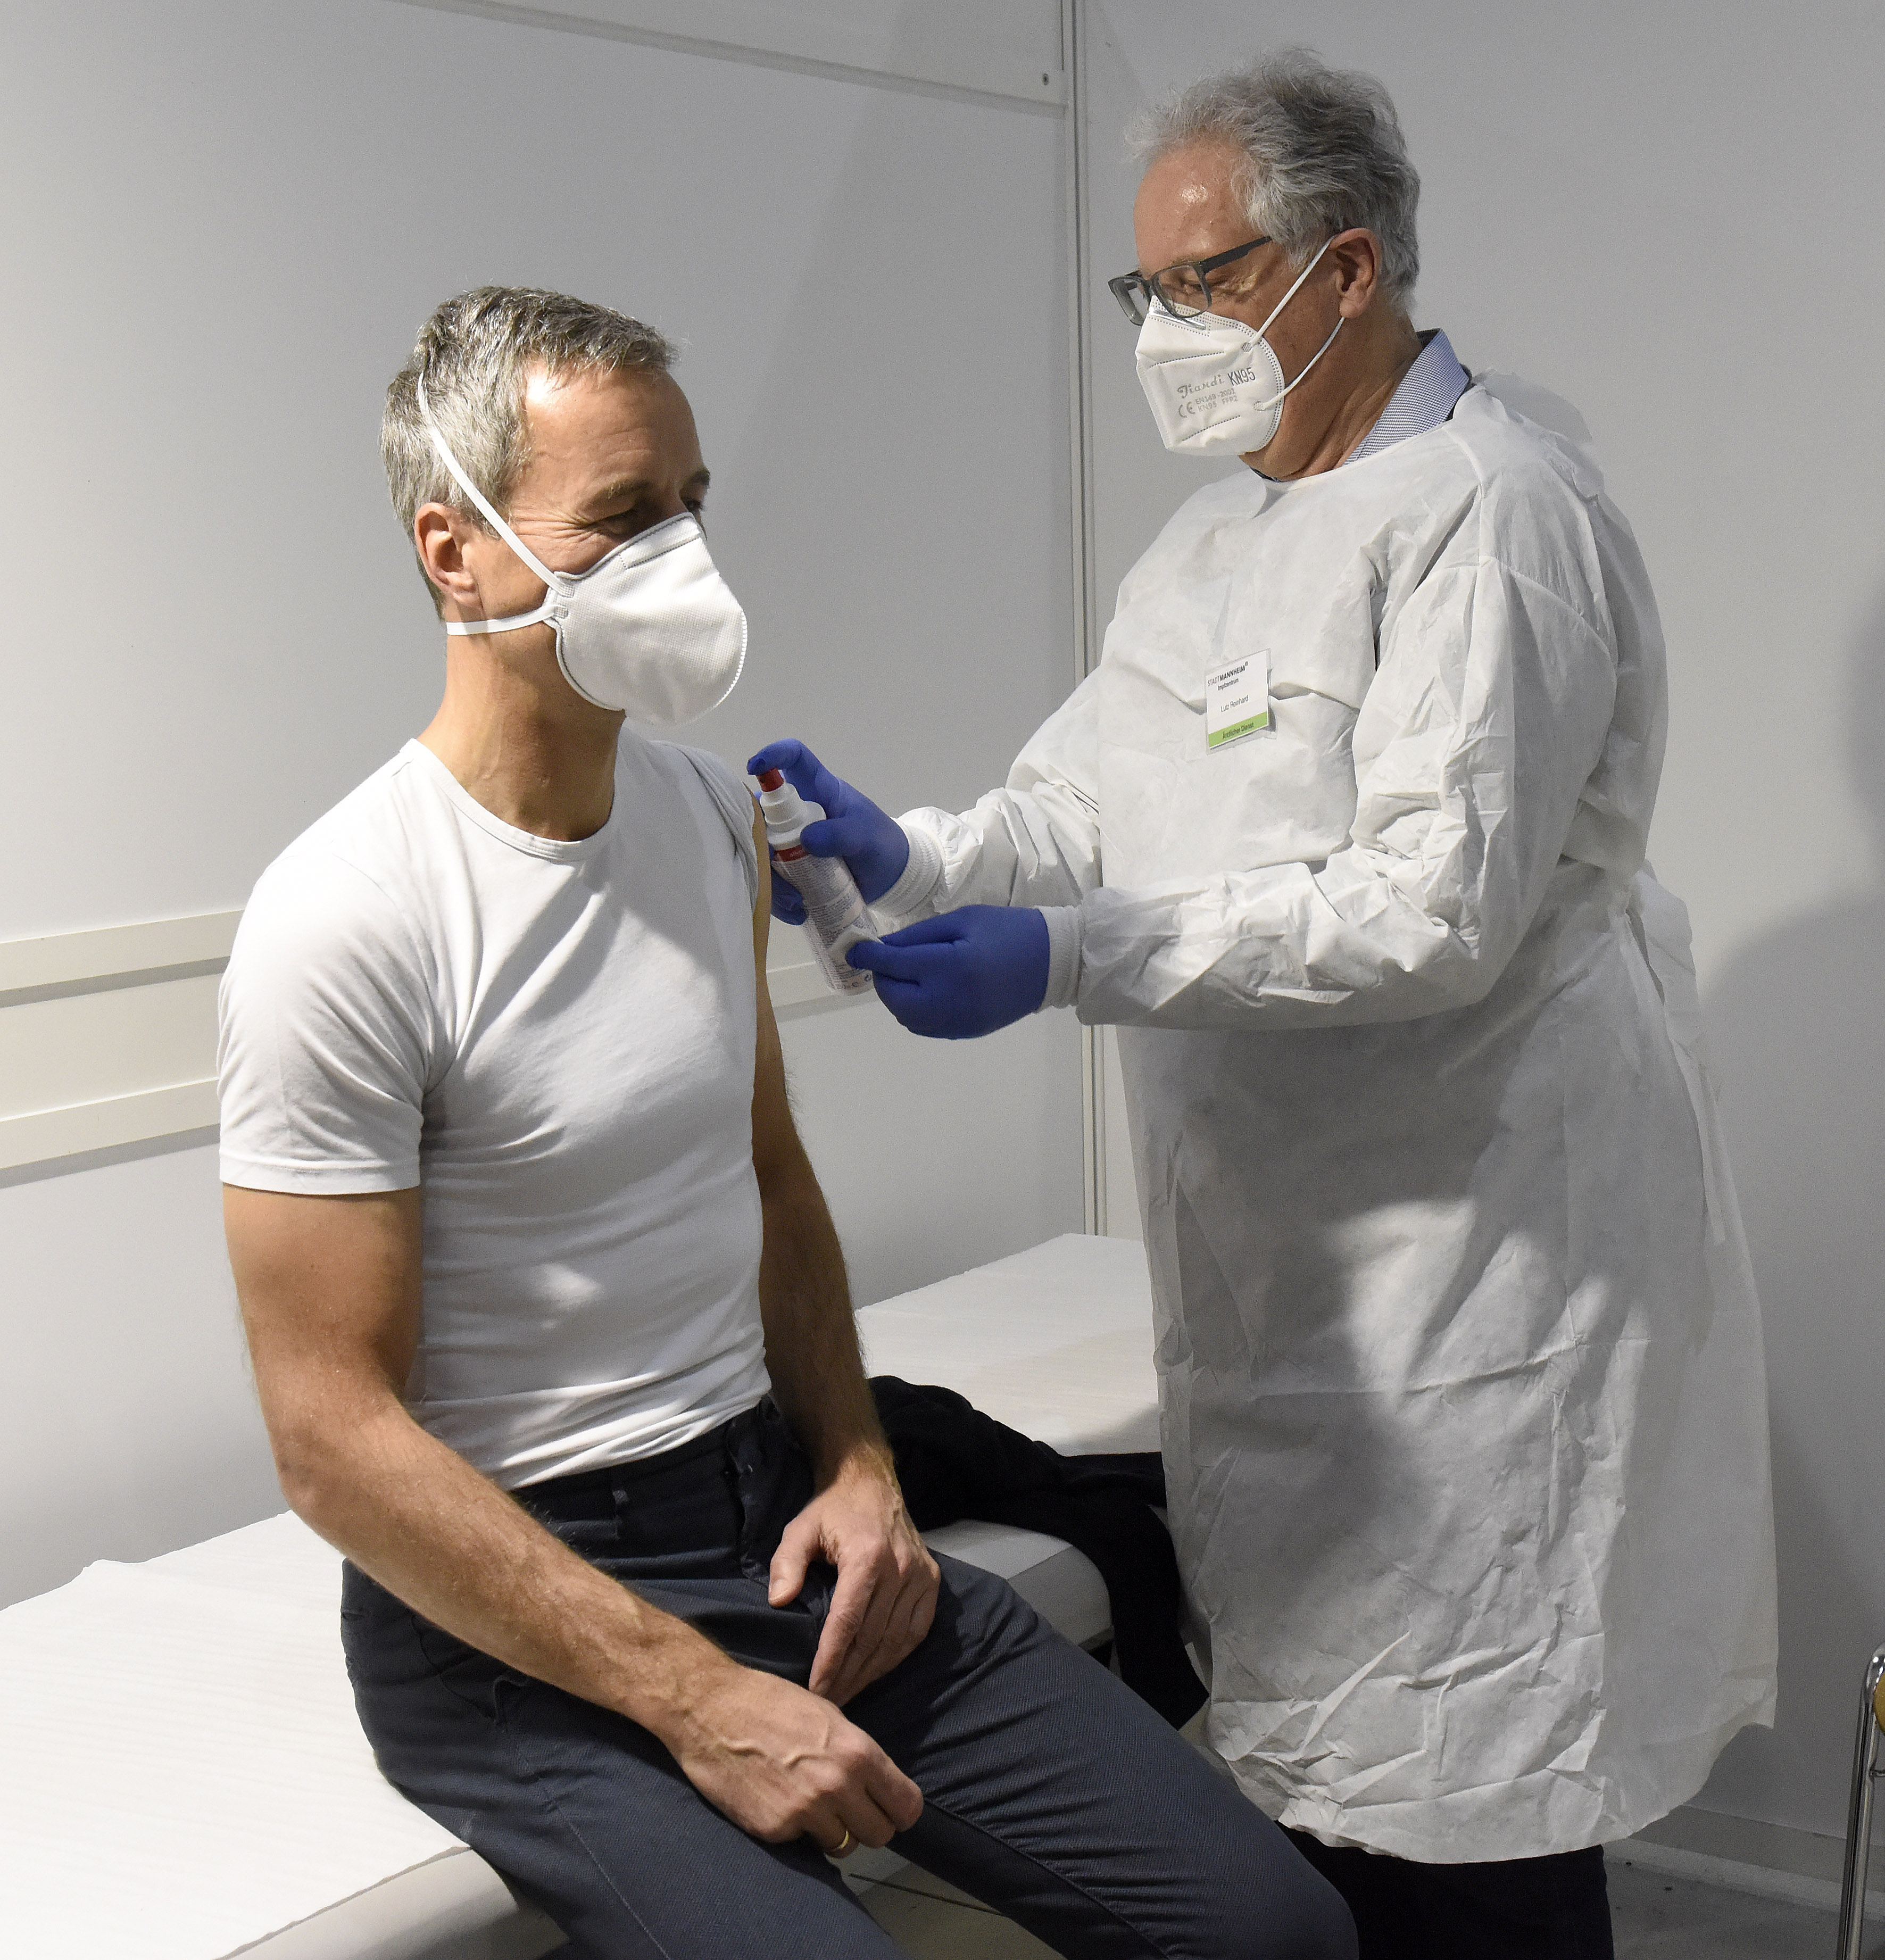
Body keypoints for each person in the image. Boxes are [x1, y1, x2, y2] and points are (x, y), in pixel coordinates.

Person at [753, 51, 1778, 1960]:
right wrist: (917, 858)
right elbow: (1085, 810)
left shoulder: (1494, 512)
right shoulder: (1213, 546)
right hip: (1286, 1282)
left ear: (1348, 267)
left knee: (1475, 1808)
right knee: (1322, 1802)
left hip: (1478, 1289)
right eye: (1147, 291)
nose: (1171, 332)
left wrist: (1073, 959)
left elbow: (1433, 910)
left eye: (1209, 281)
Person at [216, 286, 1354, 1960]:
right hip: (513, 1626)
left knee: (1274, 1929)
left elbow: (769, 1179)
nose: (680, 555)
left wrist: (863, 1463)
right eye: (622, 516)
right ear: (454, 554)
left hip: (770, 1523)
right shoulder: (350, 915)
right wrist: (690, 1695)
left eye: (691, 504)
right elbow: (330, 1433)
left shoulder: (705, 822)